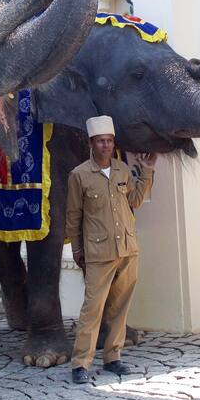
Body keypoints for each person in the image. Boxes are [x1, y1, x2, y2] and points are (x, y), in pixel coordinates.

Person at [65, 115, 156, 384]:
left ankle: (113, 358)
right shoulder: (79, 175)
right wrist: (77, 250)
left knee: (120, 307)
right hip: (98, 253)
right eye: (101, 141)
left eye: (109, 141)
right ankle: (80, 363)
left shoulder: (122, 171)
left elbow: (135, 201)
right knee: (92, 310)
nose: (106, 145)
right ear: (91, 143)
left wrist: (147, 170)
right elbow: (73, 216)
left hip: (127, 249)